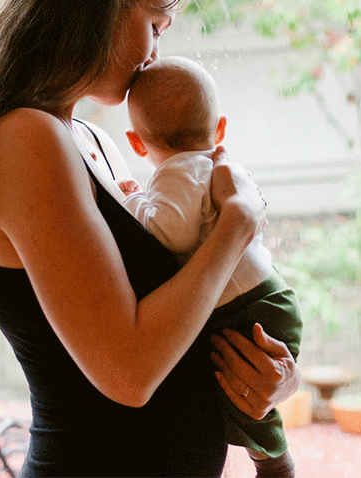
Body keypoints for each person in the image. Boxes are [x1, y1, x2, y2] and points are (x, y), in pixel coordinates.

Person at [0, 0, 299, 478]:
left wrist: (269, 378)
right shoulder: (26, 138)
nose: (156, 53)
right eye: (154, 25)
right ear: (103, 7)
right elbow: (130, 372)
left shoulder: (86, 137)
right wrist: (237, 224)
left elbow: (175, 314)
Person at [118, 56, 302, 478]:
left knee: (240, 385)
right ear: (219, 128)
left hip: (245, 306)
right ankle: (271, 458)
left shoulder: (176, 172)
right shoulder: (215, 167)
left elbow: (170, 234)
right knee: (239, 387)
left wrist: (131, 201)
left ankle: (274, 463)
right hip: (268, 296)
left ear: (136, 142)